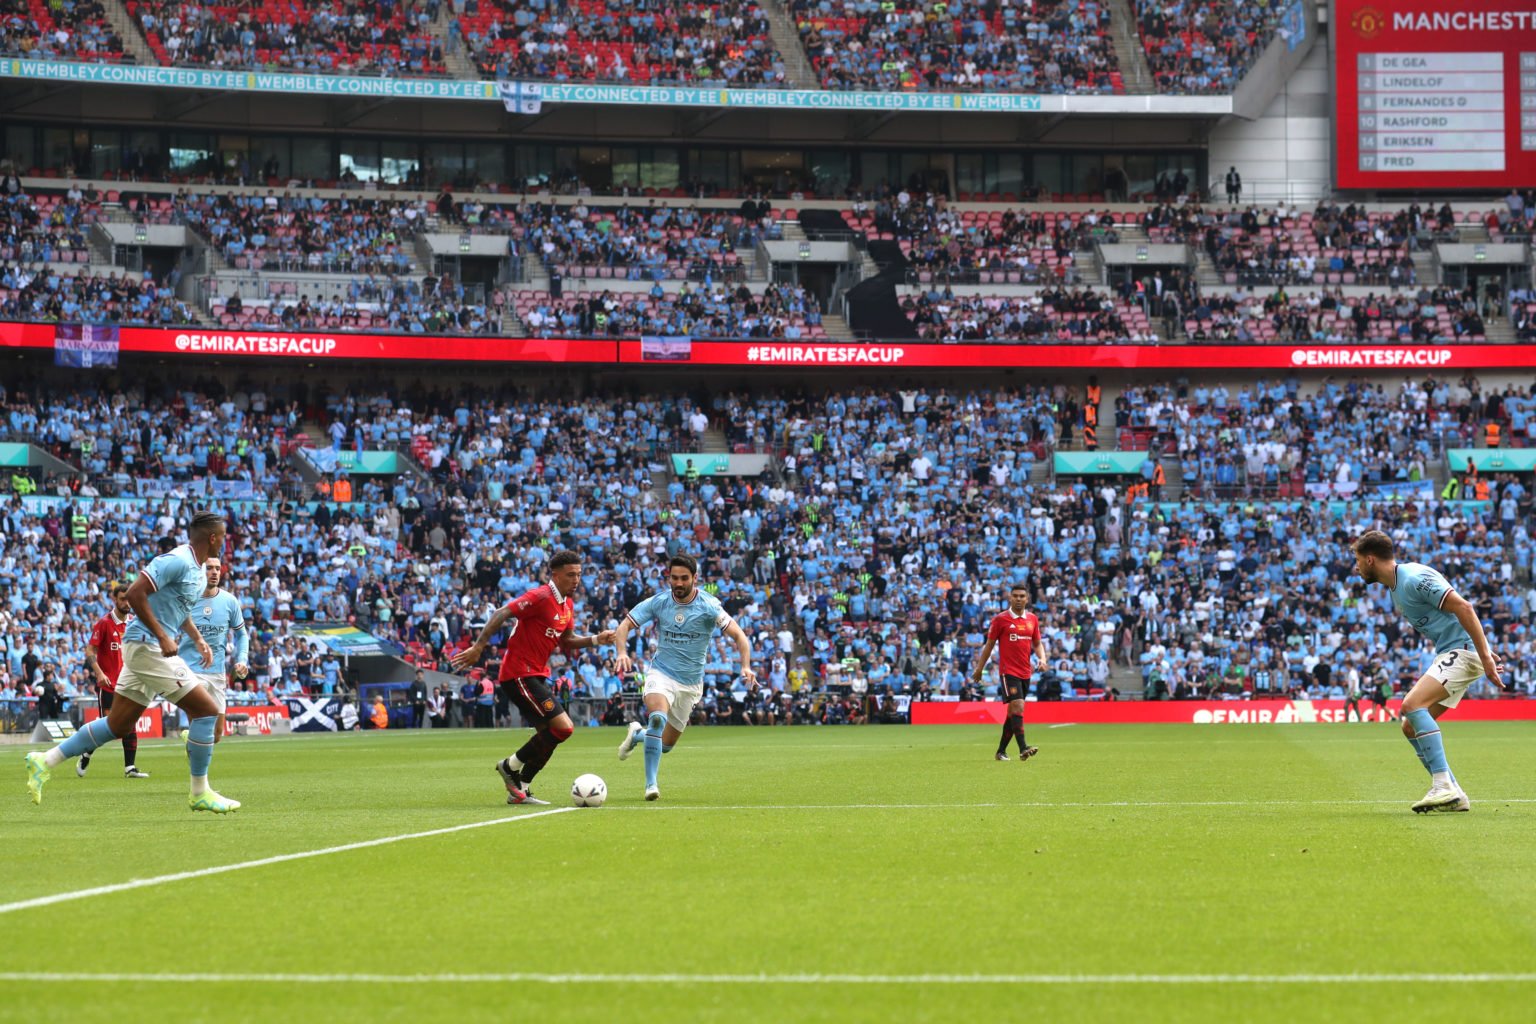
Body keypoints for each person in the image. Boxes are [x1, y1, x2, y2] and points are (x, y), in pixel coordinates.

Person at [24, 511, 241, 813]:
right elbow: (136, 593)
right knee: (206, 710)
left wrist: (197, 637)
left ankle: (45, 760)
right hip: (146, 645)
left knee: (118, 724)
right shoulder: (176, 560)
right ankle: (199, 791)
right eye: (224, 537)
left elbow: (180, 610)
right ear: (213, 538)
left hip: (145, 646)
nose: (226, 543)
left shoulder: (198, 569)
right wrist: (163, 636)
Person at [1351, 530, 1512, 813]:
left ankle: (1442, 786)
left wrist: (1483, 655)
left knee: (1412, 705)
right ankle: (1454, 793)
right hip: (1455, 651)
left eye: (1358, 559)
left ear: (1371, 559)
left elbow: (1463, 606)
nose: (1356, 566)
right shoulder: (1396, 587)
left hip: (1460, 651)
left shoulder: (1413, 579)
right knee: (1410, 725)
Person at [450, 550, 614, 805]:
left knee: (548, 737)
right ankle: (509, 766)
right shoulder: (540, 596)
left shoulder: (567, 605)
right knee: (564, 727)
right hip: (518, 673)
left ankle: (521, 790)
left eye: (579, 575)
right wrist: (479, 647)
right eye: (571, 575)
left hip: (536, 674)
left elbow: (567, 641)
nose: (576, 580)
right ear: (555, 575)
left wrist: (595, 639)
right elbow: (502, 613)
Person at [613, 554, 756, 801]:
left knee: (666, 745)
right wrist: (622, 652)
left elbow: (740, 636)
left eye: (683, 578)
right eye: (674, 578)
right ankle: (651, 784)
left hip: (690, 684)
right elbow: (624, 626)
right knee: (657, 719)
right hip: (661, 673)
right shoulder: (659, 602)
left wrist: (746, 666)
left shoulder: (709, 606)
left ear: (695, 578)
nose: (678, 583)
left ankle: (638, 734)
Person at [176, 556, 248, 749]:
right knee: (199, 725)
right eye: (209, 568)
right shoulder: (188, 599)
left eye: (217, 568)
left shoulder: (229, 601)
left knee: (216, 735)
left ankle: (188, 738)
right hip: (191, 670)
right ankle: (197, 774)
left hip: (216, 672)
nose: (214, 572)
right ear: (200, 571)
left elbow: (242, 635)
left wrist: (241, 660)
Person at [969, 584, 1047, 762]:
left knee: (1013, 713)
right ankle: (1023, 748)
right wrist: (979, 669)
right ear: (1010, 598)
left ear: (1027, 599)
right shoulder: (1000, 619)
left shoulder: (1032, 619)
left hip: (1026, 672)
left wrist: (1042, 659)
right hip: (1008, 672)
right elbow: (989, 645)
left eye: (1022, 596)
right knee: (1018, 706)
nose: (1019, 599)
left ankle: (1001, 751)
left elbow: (1037, 643)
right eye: (1015, 596)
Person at [77, 583, 146, 779]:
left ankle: (130, 768)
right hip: (108, 685)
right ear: (114, 599)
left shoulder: (134, 622)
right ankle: (86, 752)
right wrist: (99, 673)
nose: (127, 602)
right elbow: (90, 650)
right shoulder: (105, 623)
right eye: (123, 598)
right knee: (107, 726)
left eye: (129, 598)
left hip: (129, 684)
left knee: (130, 724)